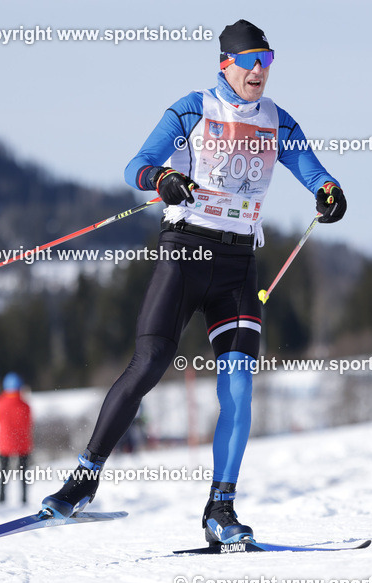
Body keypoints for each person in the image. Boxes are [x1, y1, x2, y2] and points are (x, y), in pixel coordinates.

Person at [39, 19, 346, 545]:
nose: (259, 71)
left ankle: (220, 508)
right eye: (250, 60)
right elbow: (137, 164)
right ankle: (84, 478)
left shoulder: (277, 120)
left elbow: (311, 169)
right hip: (185, 254)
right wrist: (162, 179)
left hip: (237, 268)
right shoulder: (193, 108)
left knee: (240, 385)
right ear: (225, 63)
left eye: (267, 61)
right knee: (150, 363)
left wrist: (328, 191)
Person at [0, 372, 33, 505]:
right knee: (23, 473)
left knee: (3, 473)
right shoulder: (25, 405)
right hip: (22, 444)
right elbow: (28, 424)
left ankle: (1, 498)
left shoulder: (0, 403)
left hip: (4, 443)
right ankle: (24, 499)